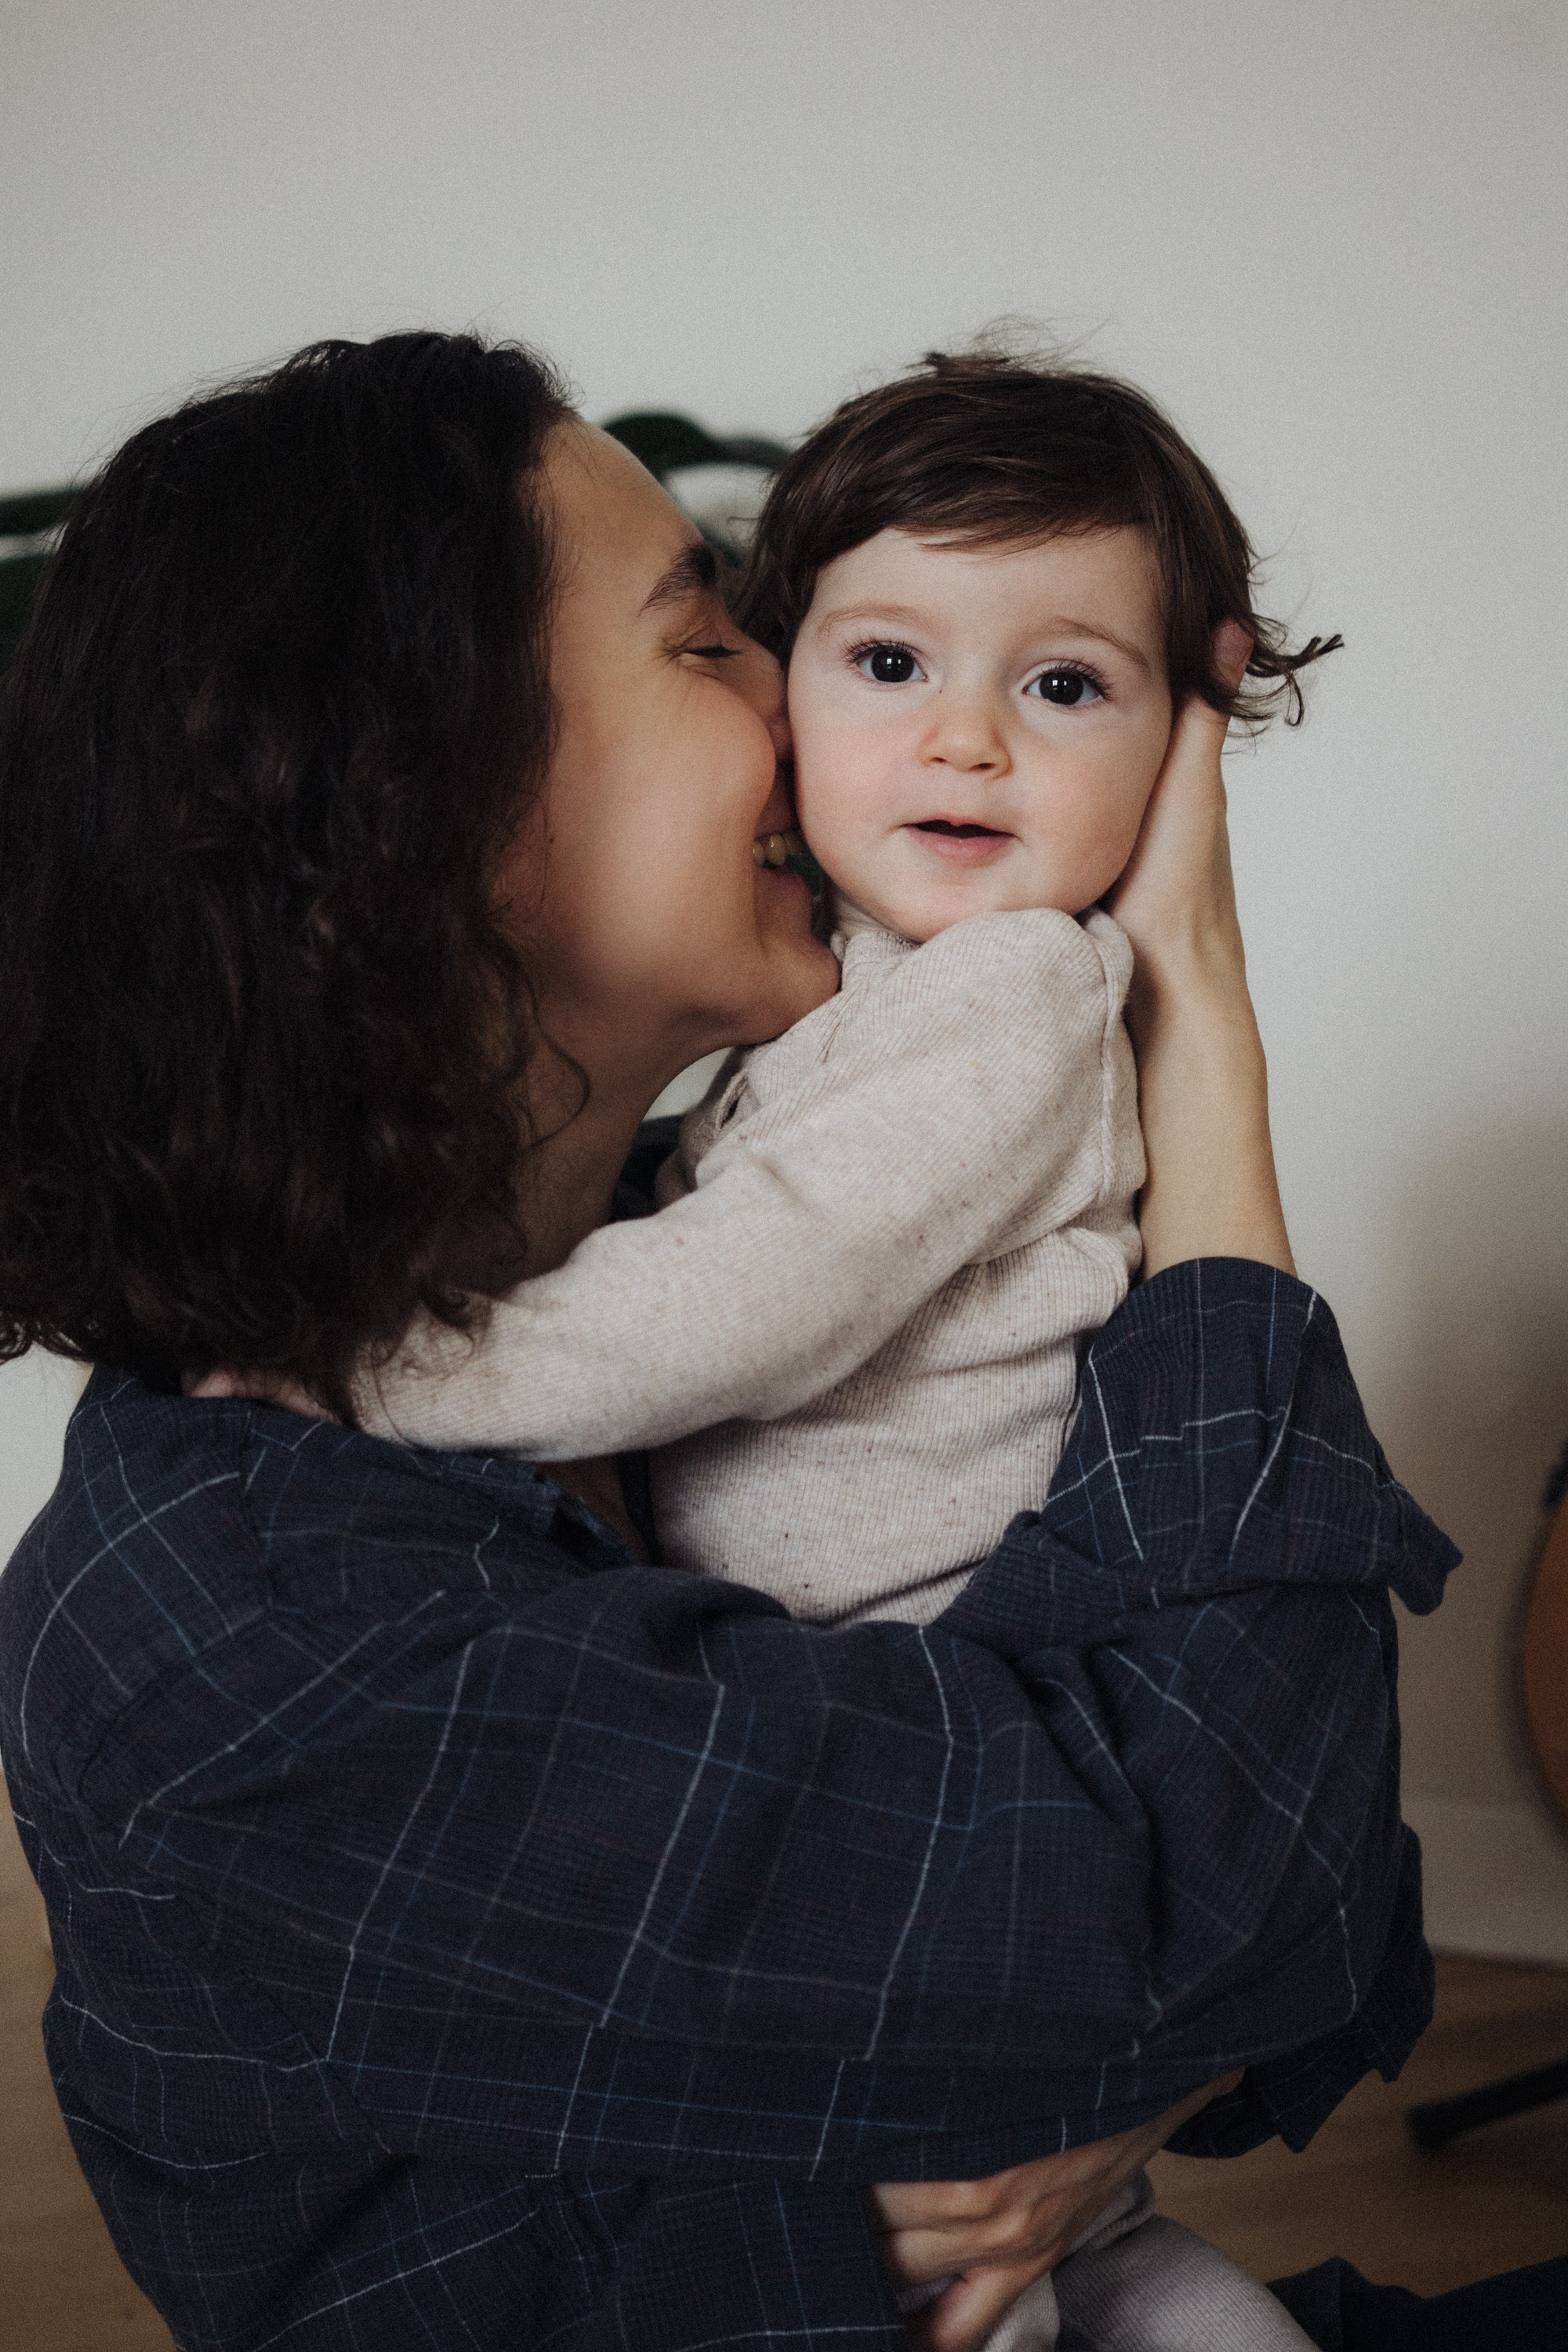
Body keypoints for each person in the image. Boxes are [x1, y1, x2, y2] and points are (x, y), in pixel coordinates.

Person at [0, 328, 1523, 2352]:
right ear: (433, 802)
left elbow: (1304, 1915)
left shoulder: (692, 1258)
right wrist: (1202, 1040)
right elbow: (1228, 1879)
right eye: (707, 640)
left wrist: (1135, 2033)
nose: (806, 697)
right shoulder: (265, 1623)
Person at [333, 354, 1349, 2349]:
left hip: (959, 1727)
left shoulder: (1010, 995)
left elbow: (771, 1278)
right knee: (1084, 2260)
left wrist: (412, 1370)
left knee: (974, 2265)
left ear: (1178, 754)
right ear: (779, 686)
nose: (965, 738)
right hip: (891, 1732)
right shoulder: (847, 993)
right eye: (889, 662)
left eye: (1065, 688)